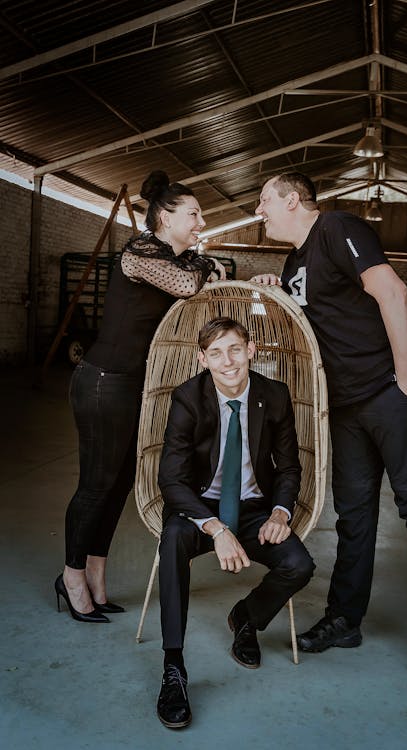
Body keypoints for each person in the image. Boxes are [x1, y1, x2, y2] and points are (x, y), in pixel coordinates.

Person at [250, 171, 407, 676]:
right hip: (347, 404)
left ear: (291, 199)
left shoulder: (336, 227)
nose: (259, 210)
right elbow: (310, 326)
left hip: (391, 389)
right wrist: (273, 292)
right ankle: (344, 619)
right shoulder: (293, 262)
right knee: (354, 516)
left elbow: (392, 293)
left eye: (264, 200)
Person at [55, 170, 226, 624]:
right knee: (96, 483)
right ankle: (70, 576)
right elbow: (191, 285)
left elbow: (203, 278)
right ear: (165, 217)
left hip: (132, 384)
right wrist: (209, 263)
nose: (201, 222)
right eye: (194, 214)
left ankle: (95, 573)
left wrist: (210, 264)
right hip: (103, 380)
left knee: (120, 483)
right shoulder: (139, 252)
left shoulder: (176, 258)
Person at [156, 317, 315, 729]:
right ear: (201, 358)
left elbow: (289, 467)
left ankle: (246, 617)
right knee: (172, 541)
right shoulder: (188, 397)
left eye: (235, 349)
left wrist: (281, 511)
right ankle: (173, 666)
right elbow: (171, 480)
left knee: (299, 564)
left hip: (254, 507)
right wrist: (215, 528)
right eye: (215, 353)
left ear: (252, 350)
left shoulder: (275, 395)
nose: (227, 361)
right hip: (200, 507)